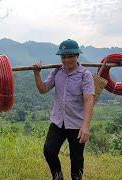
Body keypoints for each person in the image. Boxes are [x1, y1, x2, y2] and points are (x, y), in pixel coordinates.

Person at [33, 39, 95, 180]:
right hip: (58, 121)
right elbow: (43, 89)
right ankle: (58, 177)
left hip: (77, 124)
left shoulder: (85, 75)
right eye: (63, 57)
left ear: (77, 56)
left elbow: (89, 100)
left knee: (76, 158)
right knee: (49, 151)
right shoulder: (57, 72)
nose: (67, 60)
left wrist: (85, 127)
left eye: (70, 56)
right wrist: (37, 74)